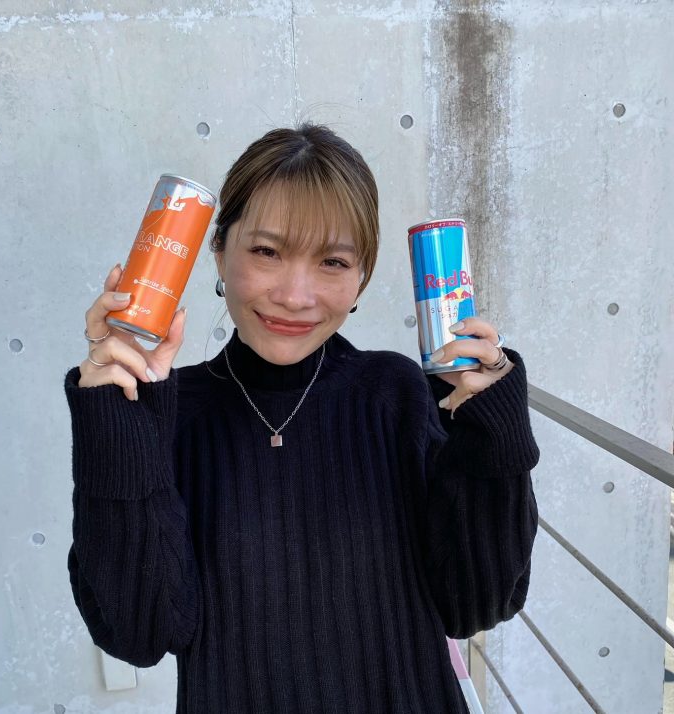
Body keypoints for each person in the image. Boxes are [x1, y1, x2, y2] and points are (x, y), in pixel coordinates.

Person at [64, 123, 539, 713]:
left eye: (333, 262)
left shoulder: (397, 394)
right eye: (266, 252)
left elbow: (477, 603)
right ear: (219, 250)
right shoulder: (170, 412)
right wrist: (115, 422)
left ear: (361, 278)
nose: (295, 295)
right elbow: (138, 634)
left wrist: (493, 436)